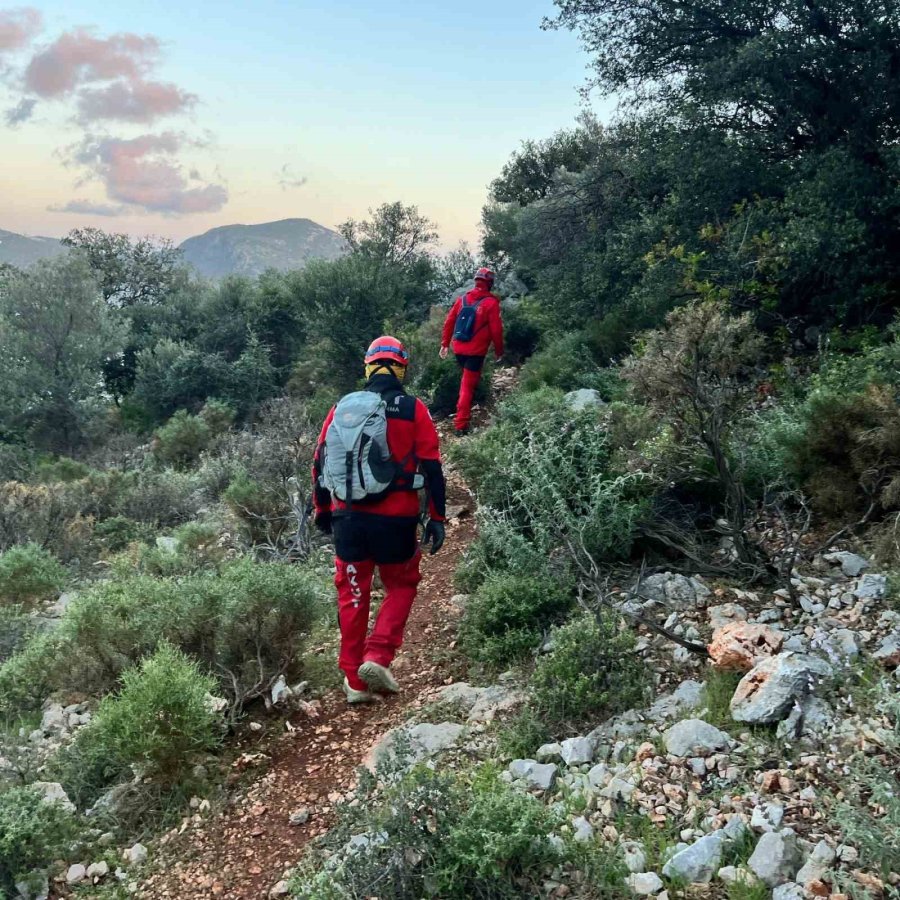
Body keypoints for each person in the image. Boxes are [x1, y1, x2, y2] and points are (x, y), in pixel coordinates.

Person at [312, 336, 447, 704]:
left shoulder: (341, 408)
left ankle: (353, 681)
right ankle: (378, 655)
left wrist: (323, 511)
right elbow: (432, 467)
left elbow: (319, 462)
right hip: (395, 519)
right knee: (401, 584)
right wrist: (437, 517)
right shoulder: (413, 408)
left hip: (347, 518)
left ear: (368, 366)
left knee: (352, 593)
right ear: (402, 368)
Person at [440, 267, 504, 436]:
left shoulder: (462, 300)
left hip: (458, 349)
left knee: (466, 383)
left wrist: (445, 344)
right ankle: (461, 425)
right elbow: (496, 330)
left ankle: (464, 407)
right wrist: (499, 351)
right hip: (476, 352)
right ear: (489, 283)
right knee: (467, 387)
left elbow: (449, 322)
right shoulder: (491, 303)